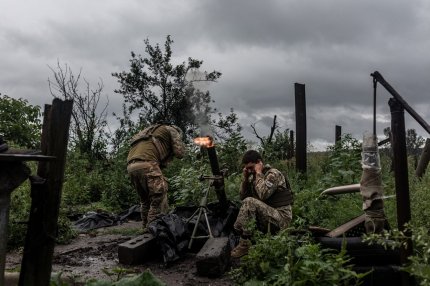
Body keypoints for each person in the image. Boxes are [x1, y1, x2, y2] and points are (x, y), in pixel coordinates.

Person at [231, 150, 293, 258]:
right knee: (246, 202)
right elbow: (242, 197)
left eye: (251, 167)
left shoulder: (273, 174)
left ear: (259, 162)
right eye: (247, 168)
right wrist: (245, 179)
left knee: (250, 202)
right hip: (269, 216)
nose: (249, 170)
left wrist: (259, 173)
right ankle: (247, 239)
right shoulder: (254, 177)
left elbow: (263, 194)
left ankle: (245, 245)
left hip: (281, 218)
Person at [127, 123, 185, 229]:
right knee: (159, 197)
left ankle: (145, 227)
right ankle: (154, 228)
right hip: (148, 164)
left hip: (131, 166)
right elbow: (179, 153)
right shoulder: (172, 130)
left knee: (145, 201)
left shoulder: (149, 131)